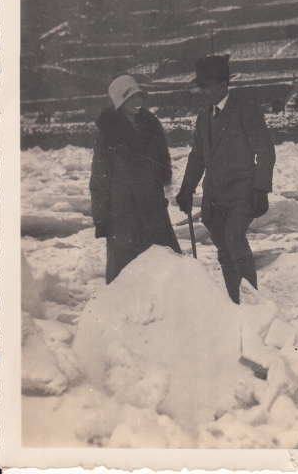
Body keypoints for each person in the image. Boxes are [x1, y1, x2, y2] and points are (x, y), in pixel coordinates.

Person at [176, 55, 276, 304]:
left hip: (243, 194)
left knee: (234, 238)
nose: (202, 92)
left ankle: (252, 305)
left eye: (205, 86)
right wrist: (188, 187)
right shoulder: (203, 116)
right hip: (214, 199)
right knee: (225, 251)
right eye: (200, 87)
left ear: (222, 85)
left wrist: (261, 188)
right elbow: (197, 156)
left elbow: (265, 151)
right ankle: (235, 303)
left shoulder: (245, 109)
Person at [90, 75, 181, 284]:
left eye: (139, 96)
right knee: (126, 275)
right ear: (119, 103)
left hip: (153, 212)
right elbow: (99, 177)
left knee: (162, 272)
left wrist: (159, 197)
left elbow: (159, 169)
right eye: (131, 98)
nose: (137, 102)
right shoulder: (107, 134)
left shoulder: (151, 126)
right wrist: (101, 218)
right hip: (123, 214)